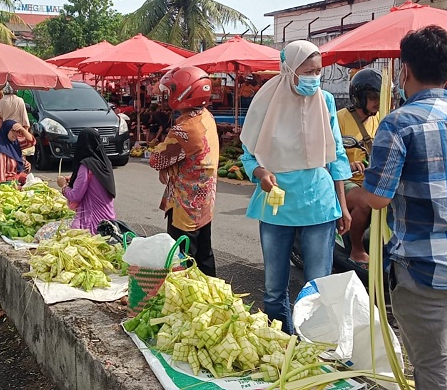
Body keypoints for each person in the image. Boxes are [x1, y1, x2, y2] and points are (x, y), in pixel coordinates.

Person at [358, 26, 447, 390]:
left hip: (425, 269)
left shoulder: (398, 125)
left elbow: (377, 199)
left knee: (434, 364)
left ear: (404, 70)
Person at [239, 40, 352, 335]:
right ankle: (281, 342)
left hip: (319, 201)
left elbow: (336, 153)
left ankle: (313, 345)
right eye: (308, 71)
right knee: (274, 287)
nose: (314, 78)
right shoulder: (265, 102)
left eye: (318, 72)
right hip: (276, 204)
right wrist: (259, 172)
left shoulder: (325, 100)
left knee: (318, 285)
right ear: (288, 69)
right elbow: (248, 154)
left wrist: (342, 204)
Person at [149, 66, 220, 278]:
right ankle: (213, 294)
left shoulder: (184, 130)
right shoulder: (206, 117)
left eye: (171, 90)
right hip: (204, 202)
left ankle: (189, 301)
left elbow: (156, 159)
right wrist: (169, 164)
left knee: (184, 259)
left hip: (185, 205)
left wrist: (165, 165)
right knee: (204, 254)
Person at [336, 68, 383, 266]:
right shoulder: (339, 119)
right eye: (372, 97)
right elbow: (328, 153)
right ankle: (357, 250)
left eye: (379, 97)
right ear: (358, 98)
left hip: (371, 180)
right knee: (365, 202)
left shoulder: (380, 120)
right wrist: (348, 164)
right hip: (344, 181)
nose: (377, 102)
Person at [57, 128, 117, 234]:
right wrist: (74, 178)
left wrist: (63, 186)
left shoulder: (86, 165)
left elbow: (75, 195)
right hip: (109, 219)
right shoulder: (105, 163)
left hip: (92, 223)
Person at [0, 120, 35, 184]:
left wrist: (23, 130)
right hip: (8, 185)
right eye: (13, 131)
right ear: (6, 131)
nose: (16, 134)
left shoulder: (14, 143)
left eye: (17, 132)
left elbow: (31, 142)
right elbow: (0, 179)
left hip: (17, 180)